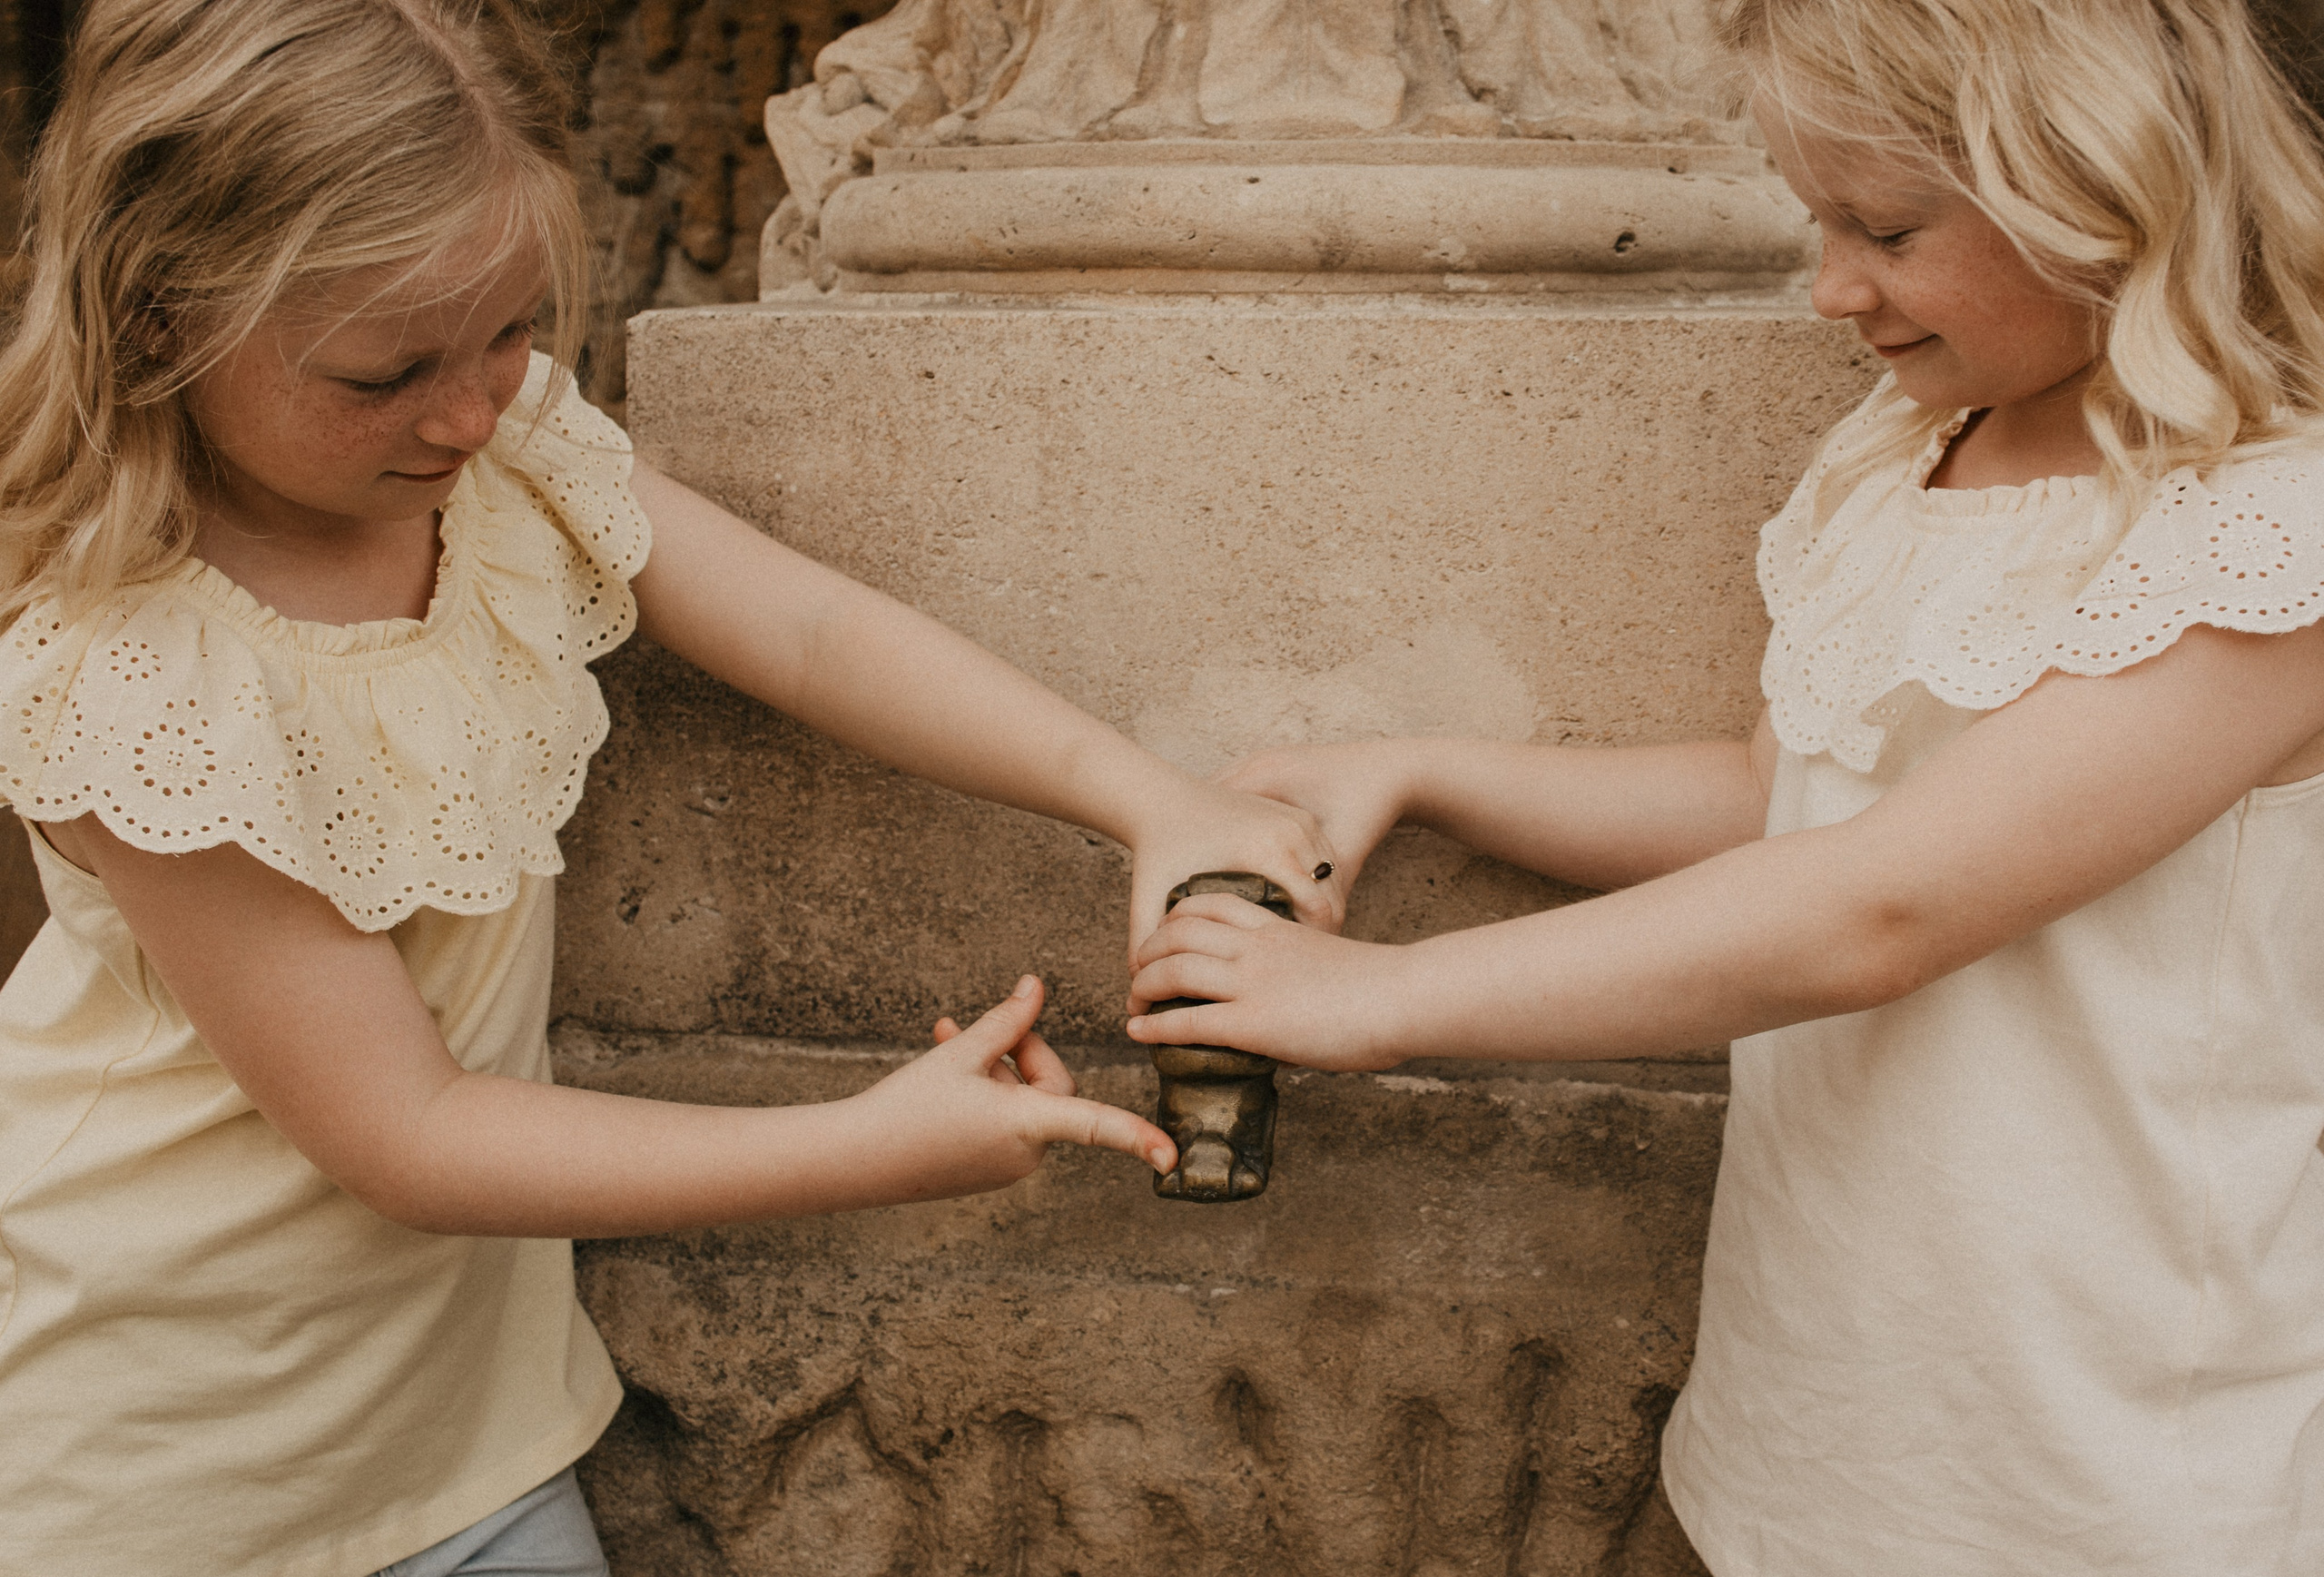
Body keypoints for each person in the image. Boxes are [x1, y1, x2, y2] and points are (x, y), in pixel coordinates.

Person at [0, 3, 1341, 1572]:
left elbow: (811, 627)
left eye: (508, 332)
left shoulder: (504, 458)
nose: (468, 406)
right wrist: (868, 1146)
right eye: (388, 370)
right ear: (162, 321)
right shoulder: (142, 680)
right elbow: (411, 1135)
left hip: (470, 1450)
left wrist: (1142, 795)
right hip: (161, 1485)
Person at [1128, 0, 2324, 1569]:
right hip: (1838, 1397)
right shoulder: (1907, 453)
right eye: (1816, 220)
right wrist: (1421, 770)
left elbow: (1882, 904)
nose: (1833, 288)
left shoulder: (2267, 535)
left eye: (1885, 227)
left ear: (2104, 184)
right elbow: (1789, 795)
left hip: (2105, 1457)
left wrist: (1387, 996)